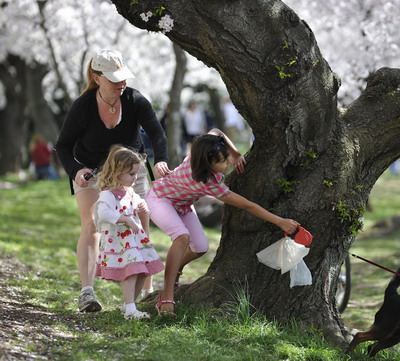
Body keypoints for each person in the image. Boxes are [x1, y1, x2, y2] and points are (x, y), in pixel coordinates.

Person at [55, 50, 169, 312]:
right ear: (97, 78)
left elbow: (156, 133)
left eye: (123, 77)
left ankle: (146, 292)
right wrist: (75, 171)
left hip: (131, 168)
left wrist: (161, 159)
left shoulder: (135, 99)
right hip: (92, 170)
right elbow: (62, 145)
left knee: (141, 222)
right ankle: (87, 293)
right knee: (92, 225)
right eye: (115, 79)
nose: (122, 83)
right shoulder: (82, 107)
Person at [146, 128, 300, 315]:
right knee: (182, 237)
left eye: (226, 157)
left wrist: (235, 154)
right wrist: (280, 221)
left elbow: (216, 131)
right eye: (222, 161)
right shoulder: (208, 184)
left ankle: (176, 267)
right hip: (159, 199)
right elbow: (247, 205)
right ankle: (167, 295)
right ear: (207, 163)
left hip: (183, 205)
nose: (228, 163)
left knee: (200, 247)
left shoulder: (196, 155)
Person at [94, 145, 165, 319]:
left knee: (142, 271)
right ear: (117, 172)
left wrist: (142, 206)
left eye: (136, 174)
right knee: (132, 271)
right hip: (120, 242)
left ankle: (128, 305)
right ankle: (131, 310)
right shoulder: (108, 195)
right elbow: (103, 213)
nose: (135, 178)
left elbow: (136, 203)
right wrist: (125, 219)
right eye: (131, 174)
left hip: (134, 241)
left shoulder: (130, 192)